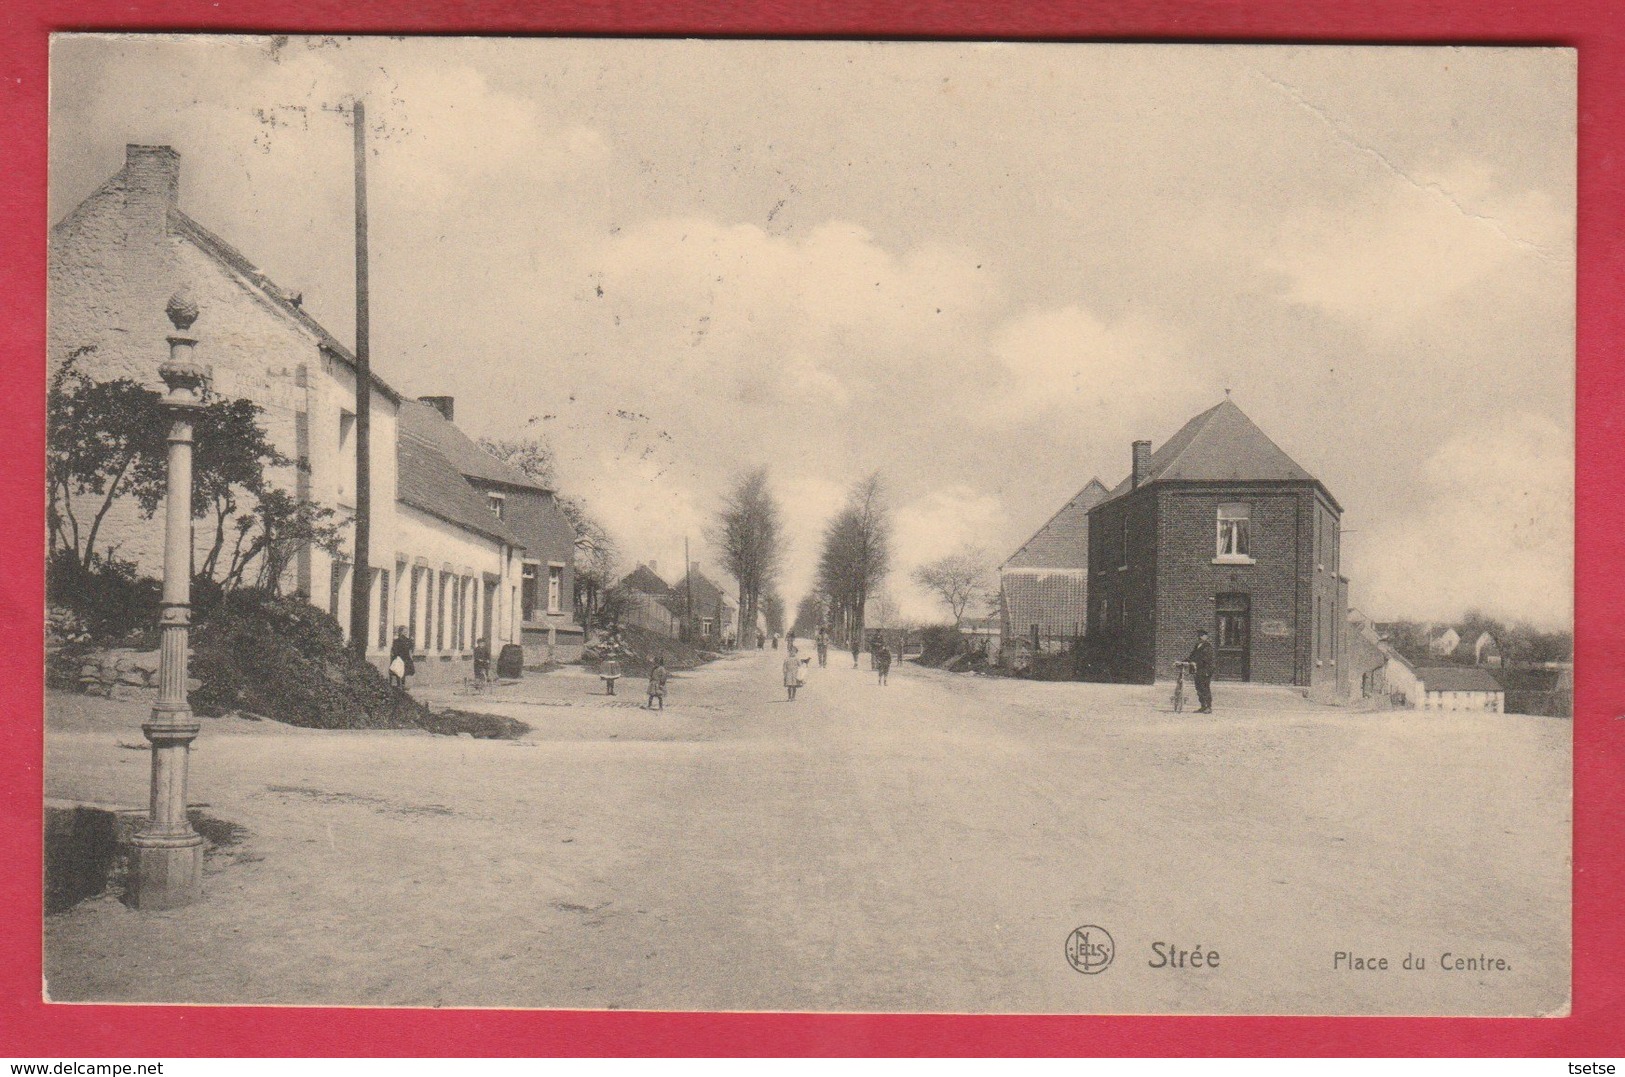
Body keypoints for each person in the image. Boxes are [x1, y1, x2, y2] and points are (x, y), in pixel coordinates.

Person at [1187, 628, 1215, 713]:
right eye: (1199, 636)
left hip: (1206, 670)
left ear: (1206, 637)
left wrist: (1196, 664)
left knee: (1205, 688)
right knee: (1198, 688)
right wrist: (1183, 661)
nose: (1200, 637)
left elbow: (1205, 659)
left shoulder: (1207, 647)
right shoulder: (1197, 646)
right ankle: (1203, 706)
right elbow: (1192, 656)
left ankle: (1209, 707)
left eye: (1202, 636)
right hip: (1198, 670)